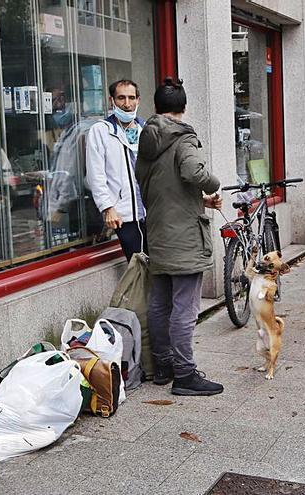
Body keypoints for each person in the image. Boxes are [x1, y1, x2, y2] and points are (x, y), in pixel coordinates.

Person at [136, 77, 224, 396]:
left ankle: (163, 366)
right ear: (183, 109)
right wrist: (213, 184)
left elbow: (165, 188)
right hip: (184, 237)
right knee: (184, 308)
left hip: (157, 232)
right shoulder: (184, 138)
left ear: (157, 107)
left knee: (160, 304)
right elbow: (193, 173)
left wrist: (199, 200)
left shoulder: (147, 140)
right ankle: (185, 374)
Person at [85, 79, 147, 261]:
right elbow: (95, 175)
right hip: (124, 215)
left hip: (153, 212)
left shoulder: (147, 129)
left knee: (160, 270)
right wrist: (107, 207)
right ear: (112, 101)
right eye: (121, 98)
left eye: (131, 98)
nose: (127, 104)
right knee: (138, 269)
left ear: (138, 100)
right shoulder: (101, 131)